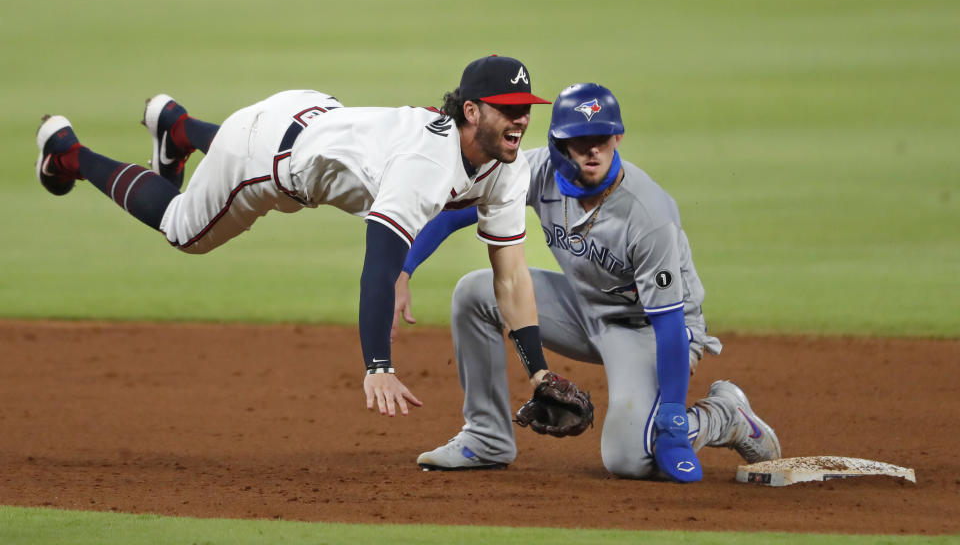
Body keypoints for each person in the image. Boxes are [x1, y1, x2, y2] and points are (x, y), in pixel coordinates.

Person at [34, 54, 586, 420]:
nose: (520, 122)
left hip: (310, 112)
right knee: (183, 230)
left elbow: (510, 274)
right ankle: (68, 153)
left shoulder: (504, 165)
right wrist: (379, 366)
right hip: (266, 157)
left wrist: (537, 370)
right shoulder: (426, 165)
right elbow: (378, 261)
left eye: (525, 111)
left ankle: (177, 128)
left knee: (238, 151)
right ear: (471, 111)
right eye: (507, 110)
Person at [396, 83, 782, 480]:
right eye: (580, 141)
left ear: (617, 136)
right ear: (559, 143)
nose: (593, 150)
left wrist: (671, 418)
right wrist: (403, 269)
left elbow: (669, 324)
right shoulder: (539, 170)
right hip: (584, 308)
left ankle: (723, 415)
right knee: (475, 292)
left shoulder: (648, 214)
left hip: (648, 329)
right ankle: (486, 437)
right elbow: (454, 210)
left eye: (601, 138)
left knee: (629, 459)